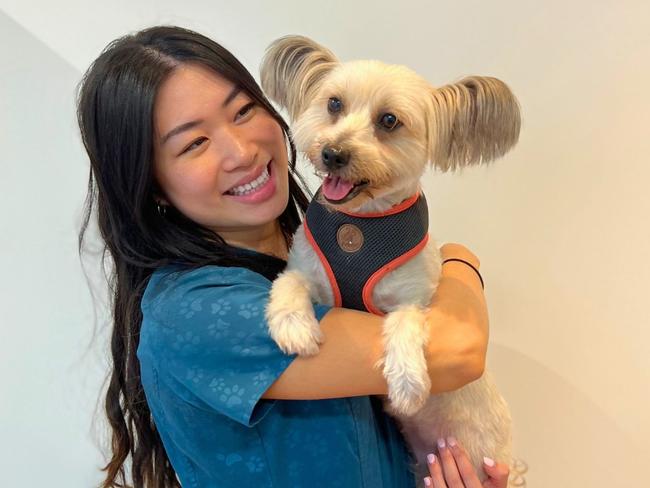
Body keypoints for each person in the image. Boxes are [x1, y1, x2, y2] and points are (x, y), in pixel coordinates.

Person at [77, 25, 510, 488]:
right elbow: (455, 352)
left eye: (243, 111)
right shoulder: (197, 313)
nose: (241, 152)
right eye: (194, 143)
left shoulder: (321, 254)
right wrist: (462, 263)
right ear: (152, 185)